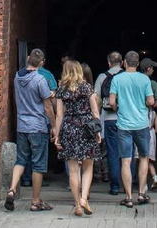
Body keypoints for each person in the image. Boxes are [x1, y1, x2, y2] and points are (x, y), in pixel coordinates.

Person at [6, 50, 55, 212]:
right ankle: (35, 201)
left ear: (28, 59)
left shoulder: (17, 77)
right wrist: (54, 126)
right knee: (38, 165)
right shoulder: (40, 80)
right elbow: (48, 106)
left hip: (22, 125)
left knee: (21, 160)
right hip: (38, 126)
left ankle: (12, 189)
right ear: (42, 63)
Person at [53, 60, 101, 217]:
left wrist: (57, 135)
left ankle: (77, 205)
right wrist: (98, 131)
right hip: (86, 127)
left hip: (69, 127)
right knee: (88, 166)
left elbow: (59, 115)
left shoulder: (62, 90)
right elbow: (95, 112)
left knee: (73, 170)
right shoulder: (87, 87)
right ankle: (83, 198)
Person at [108, 50, 156, 208]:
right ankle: (141, 193)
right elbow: (150, 101)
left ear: (124, 63)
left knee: (126, 160)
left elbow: (112, 101)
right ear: (138, 63)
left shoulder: (117, 79)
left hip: (124, 125)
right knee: (143, 157)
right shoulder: (144, 79)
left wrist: (118, 108)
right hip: (142, 124)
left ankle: (128, 197)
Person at [94, 52, 124, 195]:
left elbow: (97, 99)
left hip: (108, 118)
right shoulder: (126, 76)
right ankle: (128, 184)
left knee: (111, 153)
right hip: (126, 119)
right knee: (127, 153)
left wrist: (97, 118)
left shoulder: (102, 77)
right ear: (122, 62)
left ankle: (115, 187)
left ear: (109, 63)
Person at [140, 57, 157, 189]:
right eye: (152, 67)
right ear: (148, 68)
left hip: (136, 117)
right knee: (146, 156)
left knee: (138, 156)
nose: (153, 69)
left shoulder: (135, 80)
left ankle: (142, 183)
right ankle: (149, 180)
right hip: (149, 117)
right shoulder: (152, 83)